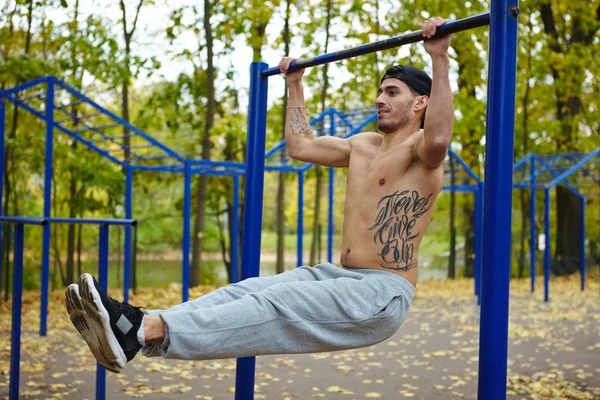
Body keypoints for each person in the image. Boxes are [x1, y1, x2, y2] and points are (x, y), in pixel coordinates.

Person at [65, 17, 453, 373]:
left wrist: (438, 58)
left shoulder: (422, 152)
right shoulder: (362, 145)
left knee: (273, 306)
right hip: (338, 276)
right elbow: (300, 146)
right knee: (245, 290)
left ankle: (142, 329)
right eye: (380, 91)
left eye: (392, 92)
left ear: (420, 102)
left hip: (380, 293)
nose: (379, 99)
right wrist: (295, 83)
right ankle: (137, 328)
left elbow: (438, 137)